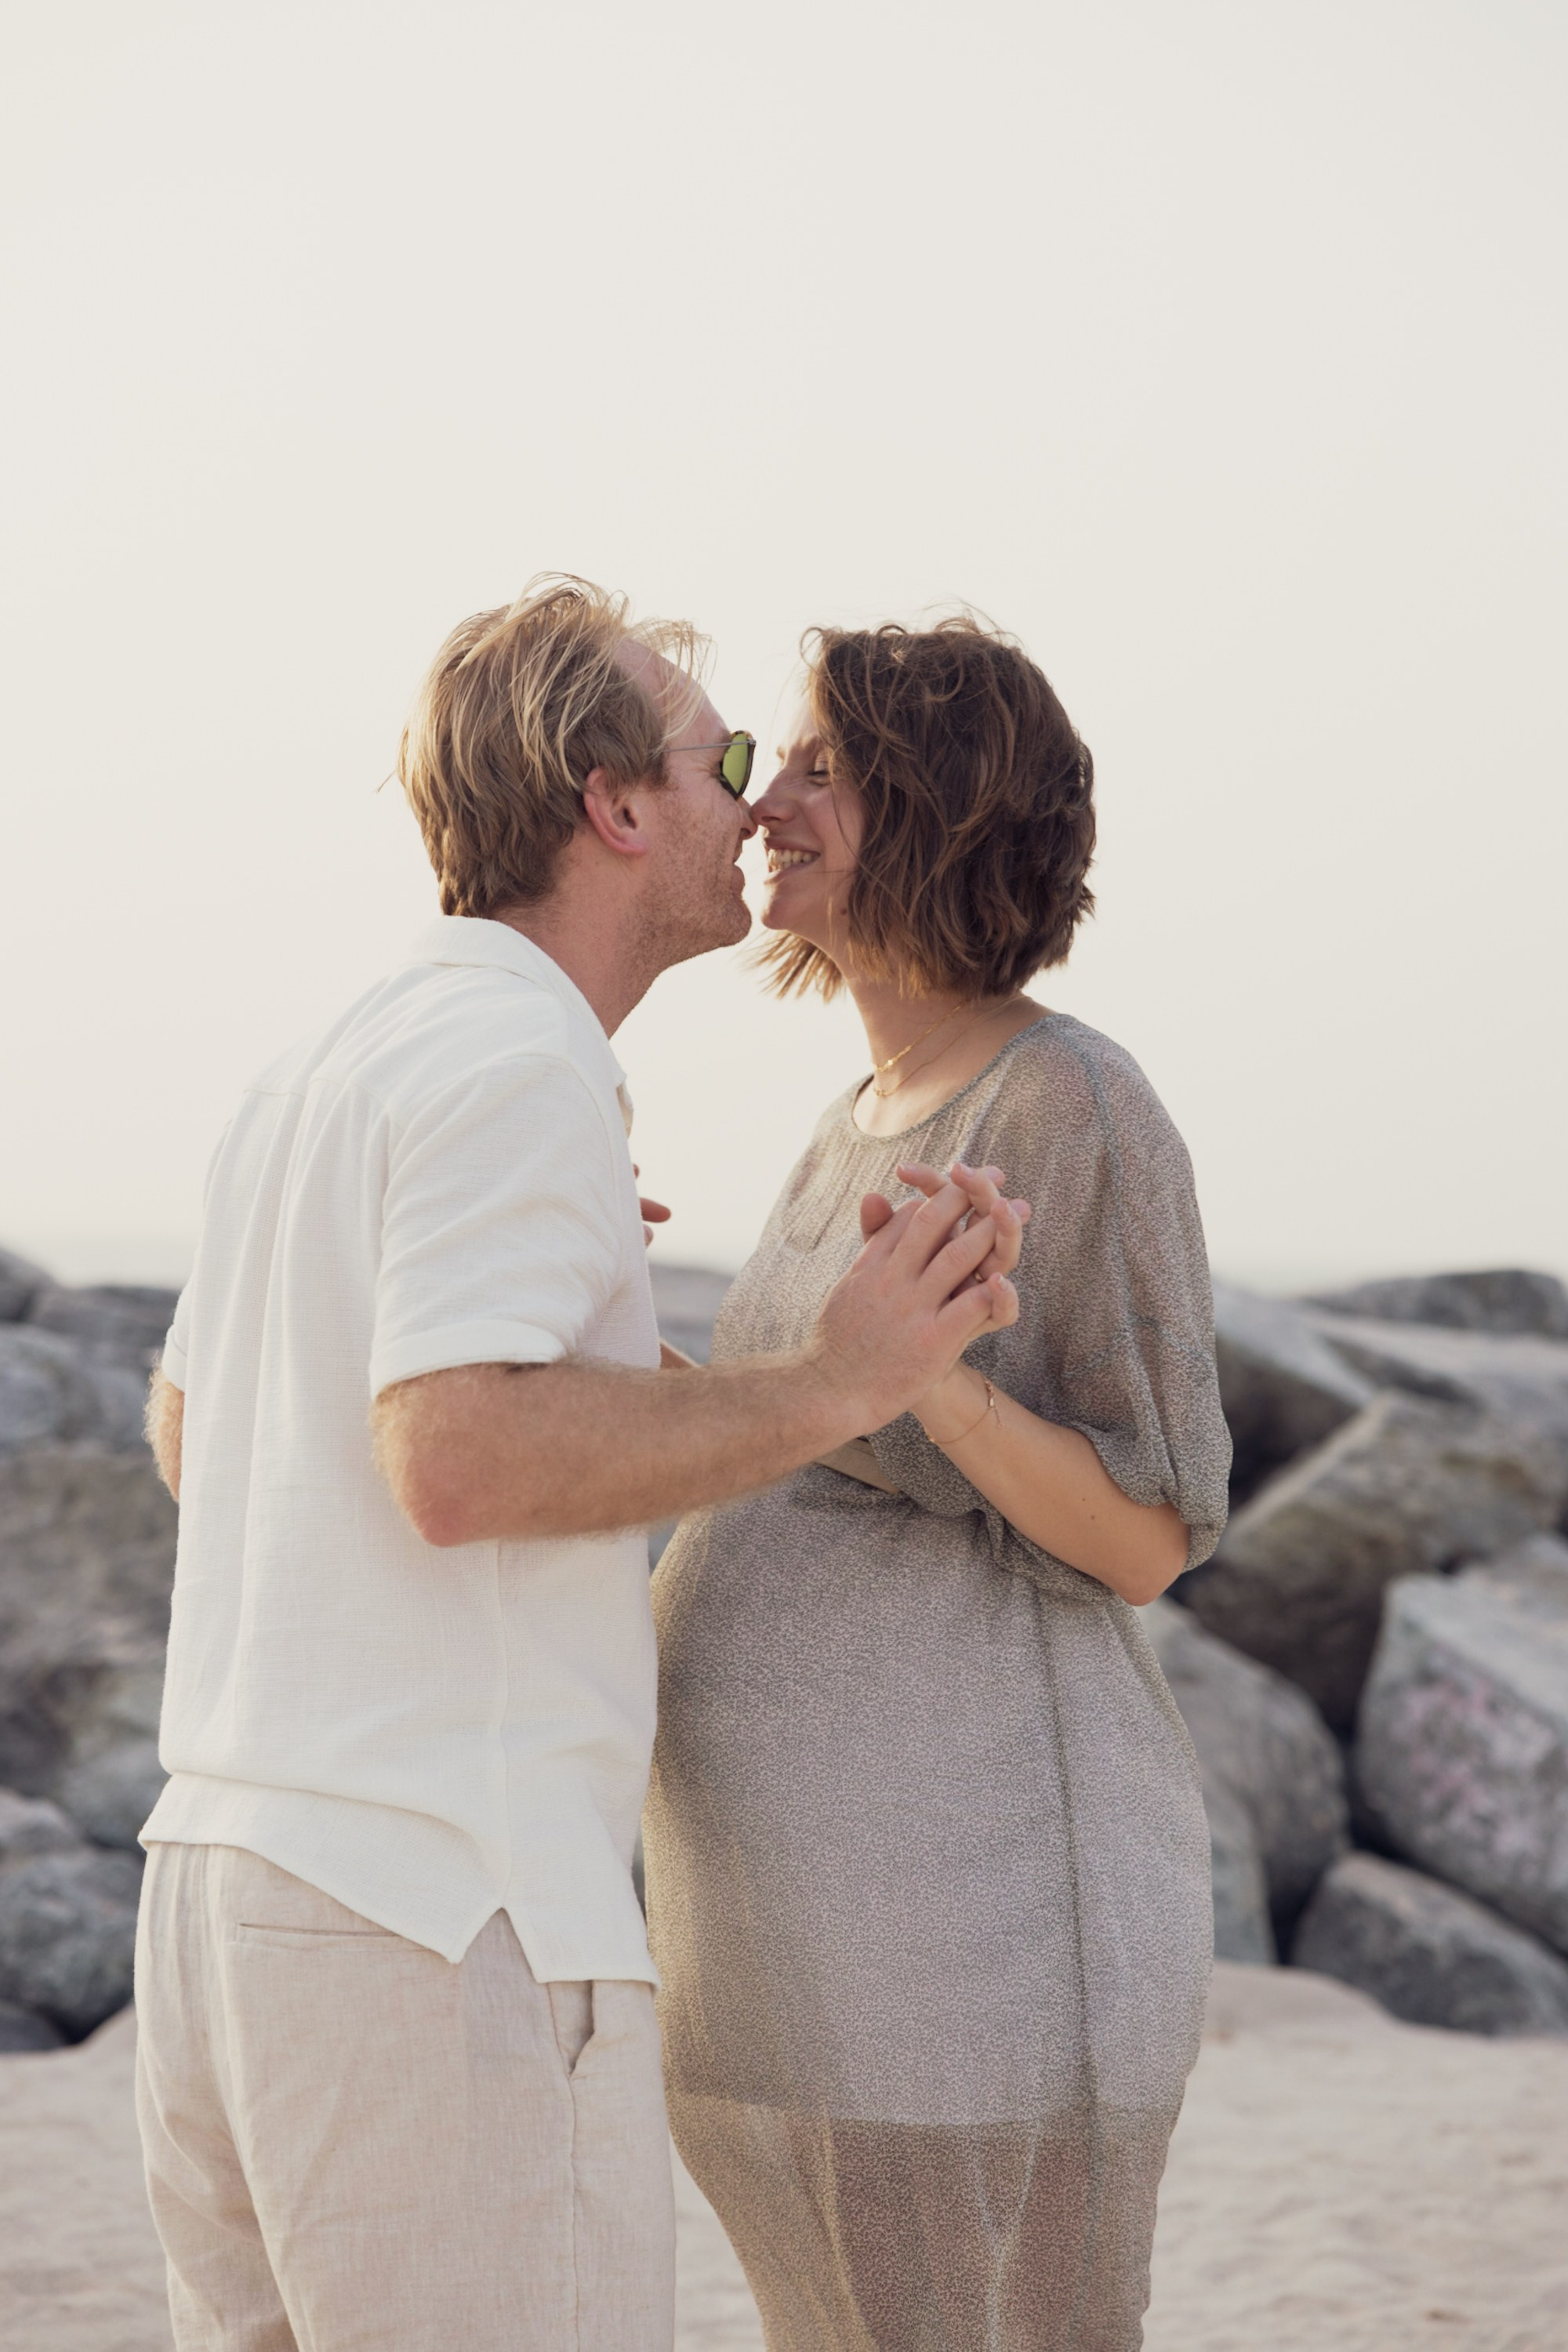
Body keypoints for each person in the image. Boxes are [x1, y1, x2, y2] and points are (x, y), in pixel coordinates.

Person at [134, 577, 1026, 2352]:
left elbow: (191, 1434)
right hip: (436, 1920)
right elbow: (454, 1461)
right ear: (617, 807)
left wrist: (579, 1359)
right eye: (725, 760)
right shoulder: (516, 1056)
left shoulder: (315, 1073)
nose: (757, 803)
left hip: (221, 1908)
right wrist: (839, 1380)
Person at [644, 615, 1232, 2352]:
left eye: (818, 767)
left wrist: (938, 1391)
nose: (766, 807)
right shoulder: (860, 1115)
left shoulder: (1072, 1108)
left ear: (939, 806)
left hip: (968, 1943)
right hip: (790, 1947)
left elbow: (1142, 1535)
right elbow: (824, 1438)